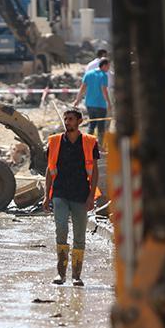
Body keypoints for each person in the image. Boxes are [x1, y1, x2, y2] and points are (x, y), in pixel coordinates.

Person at [43, 109, 100, 287]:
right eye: (66, 119)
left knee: (79, 236)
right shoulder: (54, 141)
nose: (67, 122)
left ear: (79, 121)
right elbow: (49, 169)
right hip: (60, 193)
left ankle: (76, 275)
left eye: (71, 119)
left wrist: (91, 196)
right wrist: (46, 195)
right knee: (61, 229)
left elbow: (95, 171)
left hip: (81, 195)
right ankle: (61, 274)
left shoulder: (90, 142)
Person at [74, 58, 112, 146]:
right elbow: (104, 90)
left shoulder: (89, 74)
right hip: (100, 105)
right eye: (108, 66)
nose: (108, 69)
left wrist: (77, 100)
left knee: (92, 125)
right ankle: (100, 146)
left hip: (89, 104)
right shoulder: (103, 75)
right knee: (101, 126)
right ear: (104, 66)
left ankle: (88, 145)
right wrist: (109, 103)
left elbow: (82, 88)